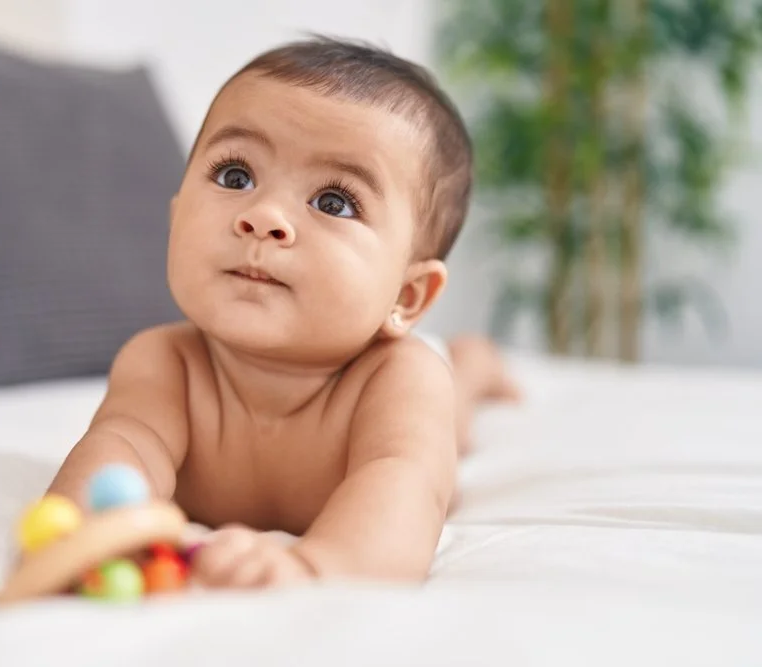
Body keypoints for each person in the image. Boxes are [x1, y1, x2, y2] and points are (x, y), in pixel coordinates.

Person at [46, 36, 519, 589]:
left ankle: (472, 363)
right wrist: (86, 531)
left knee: (449, 414)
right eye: (235, 176)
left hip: (418, 380)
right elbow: (122, 451)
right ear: (175, 220)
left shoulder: (401, 379)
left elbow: (406, 488)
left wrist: (315, 567)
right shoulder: (163, 362)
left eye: (334, 202)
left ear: (406, 297)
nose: (263, 216)